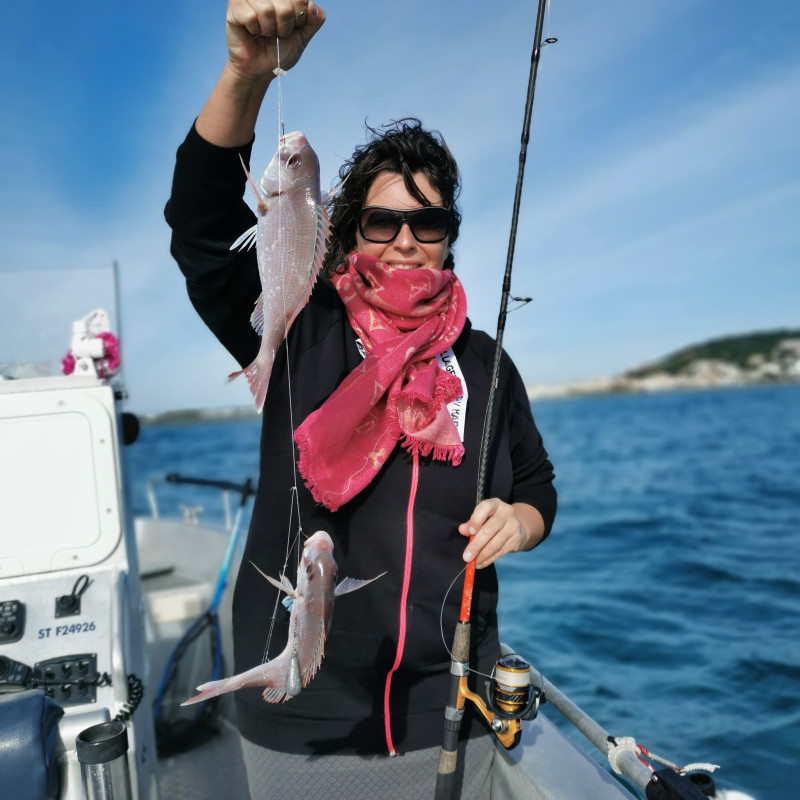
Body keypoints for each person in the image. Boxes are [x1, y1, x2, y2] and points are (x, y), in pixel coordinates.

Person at [164, 2, 556, 797]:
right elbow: (202, 225)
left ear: (451, 232)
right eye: (382, 220)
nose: (407, 240)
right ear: (346, 227)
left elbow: (536, 484)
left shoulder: (486, 364)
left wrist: (521, 521)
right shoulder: (301, 324)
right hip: (302, 714)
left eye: (429, 221)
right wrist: (245, 70)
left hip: (446, 706)